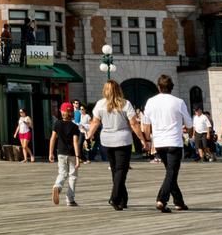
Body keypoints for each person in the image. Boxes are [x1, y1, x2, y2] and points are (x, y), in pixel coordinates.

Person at [138, 74, 193, 213]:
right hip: (174, 141)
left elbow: (145, 124)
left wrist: (148, 140)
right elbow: (189, 123)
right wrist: (190, 134)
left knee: (170, 172)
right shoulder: (178, 102)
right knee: (172, 172)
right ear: (172, 87)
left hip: (160, 142)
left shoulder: (151, 101)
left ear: (158, 87)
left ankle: (179, 202)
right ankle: (162, 199)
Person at [85, 80, 137, 211]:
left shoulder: (100, 104)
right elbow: (134, 124)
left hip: (107, 140)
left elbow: (95, 123)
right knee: (121, 170)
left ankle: (122, 200)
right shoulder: (125, 104)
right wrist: (143, 139)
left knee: (115, 169)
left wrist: (88, 136)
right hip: (123, 139)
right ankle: (114, 197)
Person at [48, 101, 83, 207]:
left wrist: (50, 153)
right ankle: (70, 199)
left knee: (62, 174)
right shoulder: (74, 126)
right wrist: (78, 157)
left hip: (61, 153)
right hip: (72, 154)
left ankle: (57, 187)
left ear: (61, 111)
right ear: (71, 112)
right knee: (73, 176)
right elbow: (75, 142)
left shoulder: (57, 124)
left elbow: (53, 138)